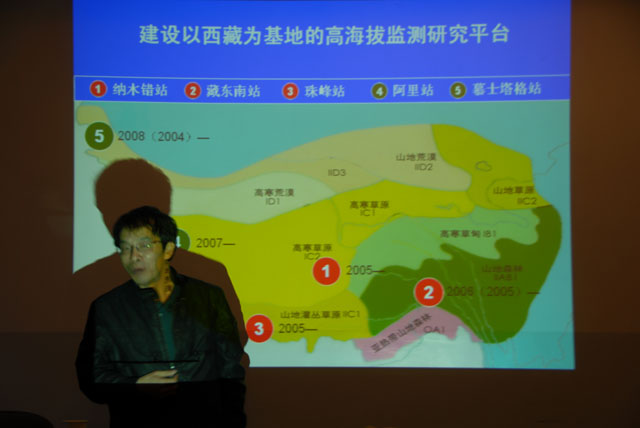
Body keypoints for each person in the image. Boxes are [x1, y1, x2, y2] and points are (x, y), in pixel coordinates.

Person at [76, 206, 246, 427]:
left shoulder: (208, 297)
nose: (133, 256)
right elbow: (90, 378)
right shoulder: (106, 308)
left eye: (144, 246)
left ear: (168, 249)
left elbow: (230, 370)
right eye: (125, 248)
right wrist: (135, 386)